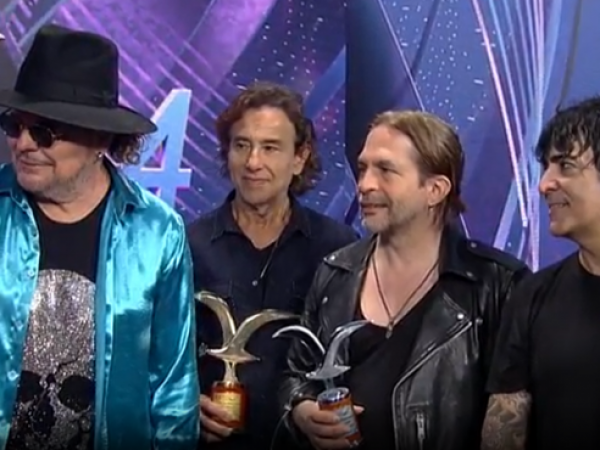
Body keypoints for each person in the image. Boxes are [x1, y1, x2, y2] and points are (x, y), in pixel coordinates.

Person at [279, 110, 530, 450]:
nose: (365, 184)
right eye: (363, 168)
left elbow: (514, 415)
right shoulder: (336, 271)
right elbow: (297, 374)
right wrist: (301, 411)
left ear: (435, 190)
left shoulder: (496, 284)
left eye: (385, 170)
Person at [0, 25, 199, 450]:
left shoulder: (157, 232)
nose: (24, 144)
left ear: (99, 139)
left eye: (45, 132)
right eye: (15, 125)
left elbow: (173, 389)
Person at [186, 81, 358, 450]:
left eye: (270, 147)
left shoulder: (338, 248)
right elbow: (160, 356)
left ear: (299, 158)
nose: (253, 162)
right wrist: (183, 407)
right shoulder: (187, 244)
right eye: (241, 145)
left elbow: (352, 357)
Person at [481, 98, 600, 450]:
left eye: (565, 165)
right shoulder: (531, 295)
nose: (544, 184)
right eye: (546, 167)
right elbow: (503, 432)